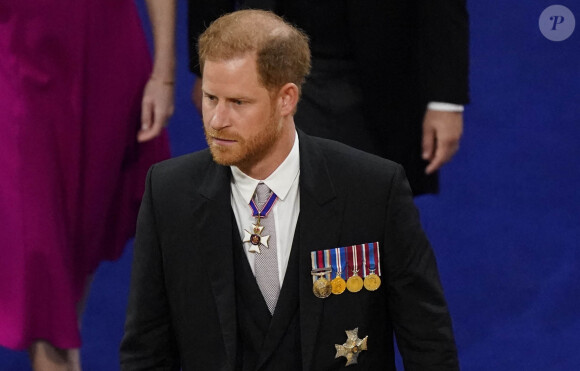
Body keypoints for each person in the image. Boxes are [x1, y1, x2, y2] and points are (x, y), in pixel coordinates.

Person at [121, 9, 458, 370]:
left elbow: (428, 342)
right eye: (210, 98)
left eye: (238, 102)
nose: (217, 120)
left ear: (286, 99)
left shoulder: (373, 189)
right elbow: (146, 353)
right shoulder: (169, 194)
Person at [0, 0, 175, 369]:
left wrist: (164, 72)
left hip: (107, 60)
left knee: (73, 266)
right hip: (18, 62)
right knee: (42, 267)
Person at [187, 0, 470, 196]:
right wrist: (208, 67)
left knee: (371, 218)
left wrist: (445, 101)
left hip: (378, 76)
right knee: (266, 209)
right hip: (269, 66)